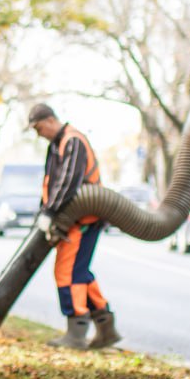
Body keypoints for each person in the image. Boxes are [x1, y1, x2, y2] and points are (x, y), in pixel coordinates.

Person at [28, 102, 121, 350]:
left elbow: (69, 182)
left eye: (38, 128)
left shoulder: (73, 141)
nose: (39, 134)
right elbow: (51, 183)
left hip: (83, 220)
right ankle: (106, 329)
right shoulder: (56, 145)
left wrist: (50, 212)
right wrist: (43, 212)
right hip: (71, 220)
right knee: (80, 273)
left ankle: (76, 332)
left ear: (49, 121)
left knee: (68, 274)